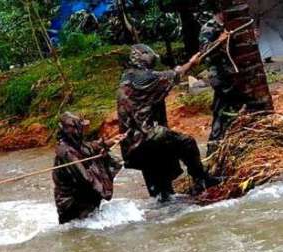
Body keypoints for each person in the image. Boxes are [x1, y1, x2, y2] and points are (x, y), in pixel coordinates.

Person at [117, 44, 220, 202]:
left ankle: (164, 204)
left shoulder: (127, 76)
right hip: (146, 137)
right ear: (142, 56)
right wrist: (192, 62)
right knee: (188, 143)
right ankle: (203, 181)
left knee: (160, 189)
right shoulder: (144, 78)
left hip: (131, 144)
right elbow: (174, 75)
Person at [53, 112, 123, 224]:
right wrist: (100, 163)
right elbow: (85, 178)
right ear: (73, 129)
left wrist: (110, 142)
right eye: (82, 127)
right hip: (72, 205)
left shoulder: (74, 143)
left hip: (83, 200)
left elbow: (89, 147)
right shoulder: (66, 152)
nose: (85, 129)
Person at [199, 1, 247, 155]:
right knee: (222, 113)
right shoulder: (210, 27)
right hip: (220, 77)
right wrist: (220, 40)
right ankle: (214, 151)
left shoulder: (229, 25)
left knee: (230, 111)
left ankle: (228, 148)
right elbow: (204, 51)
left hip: (232, 76)